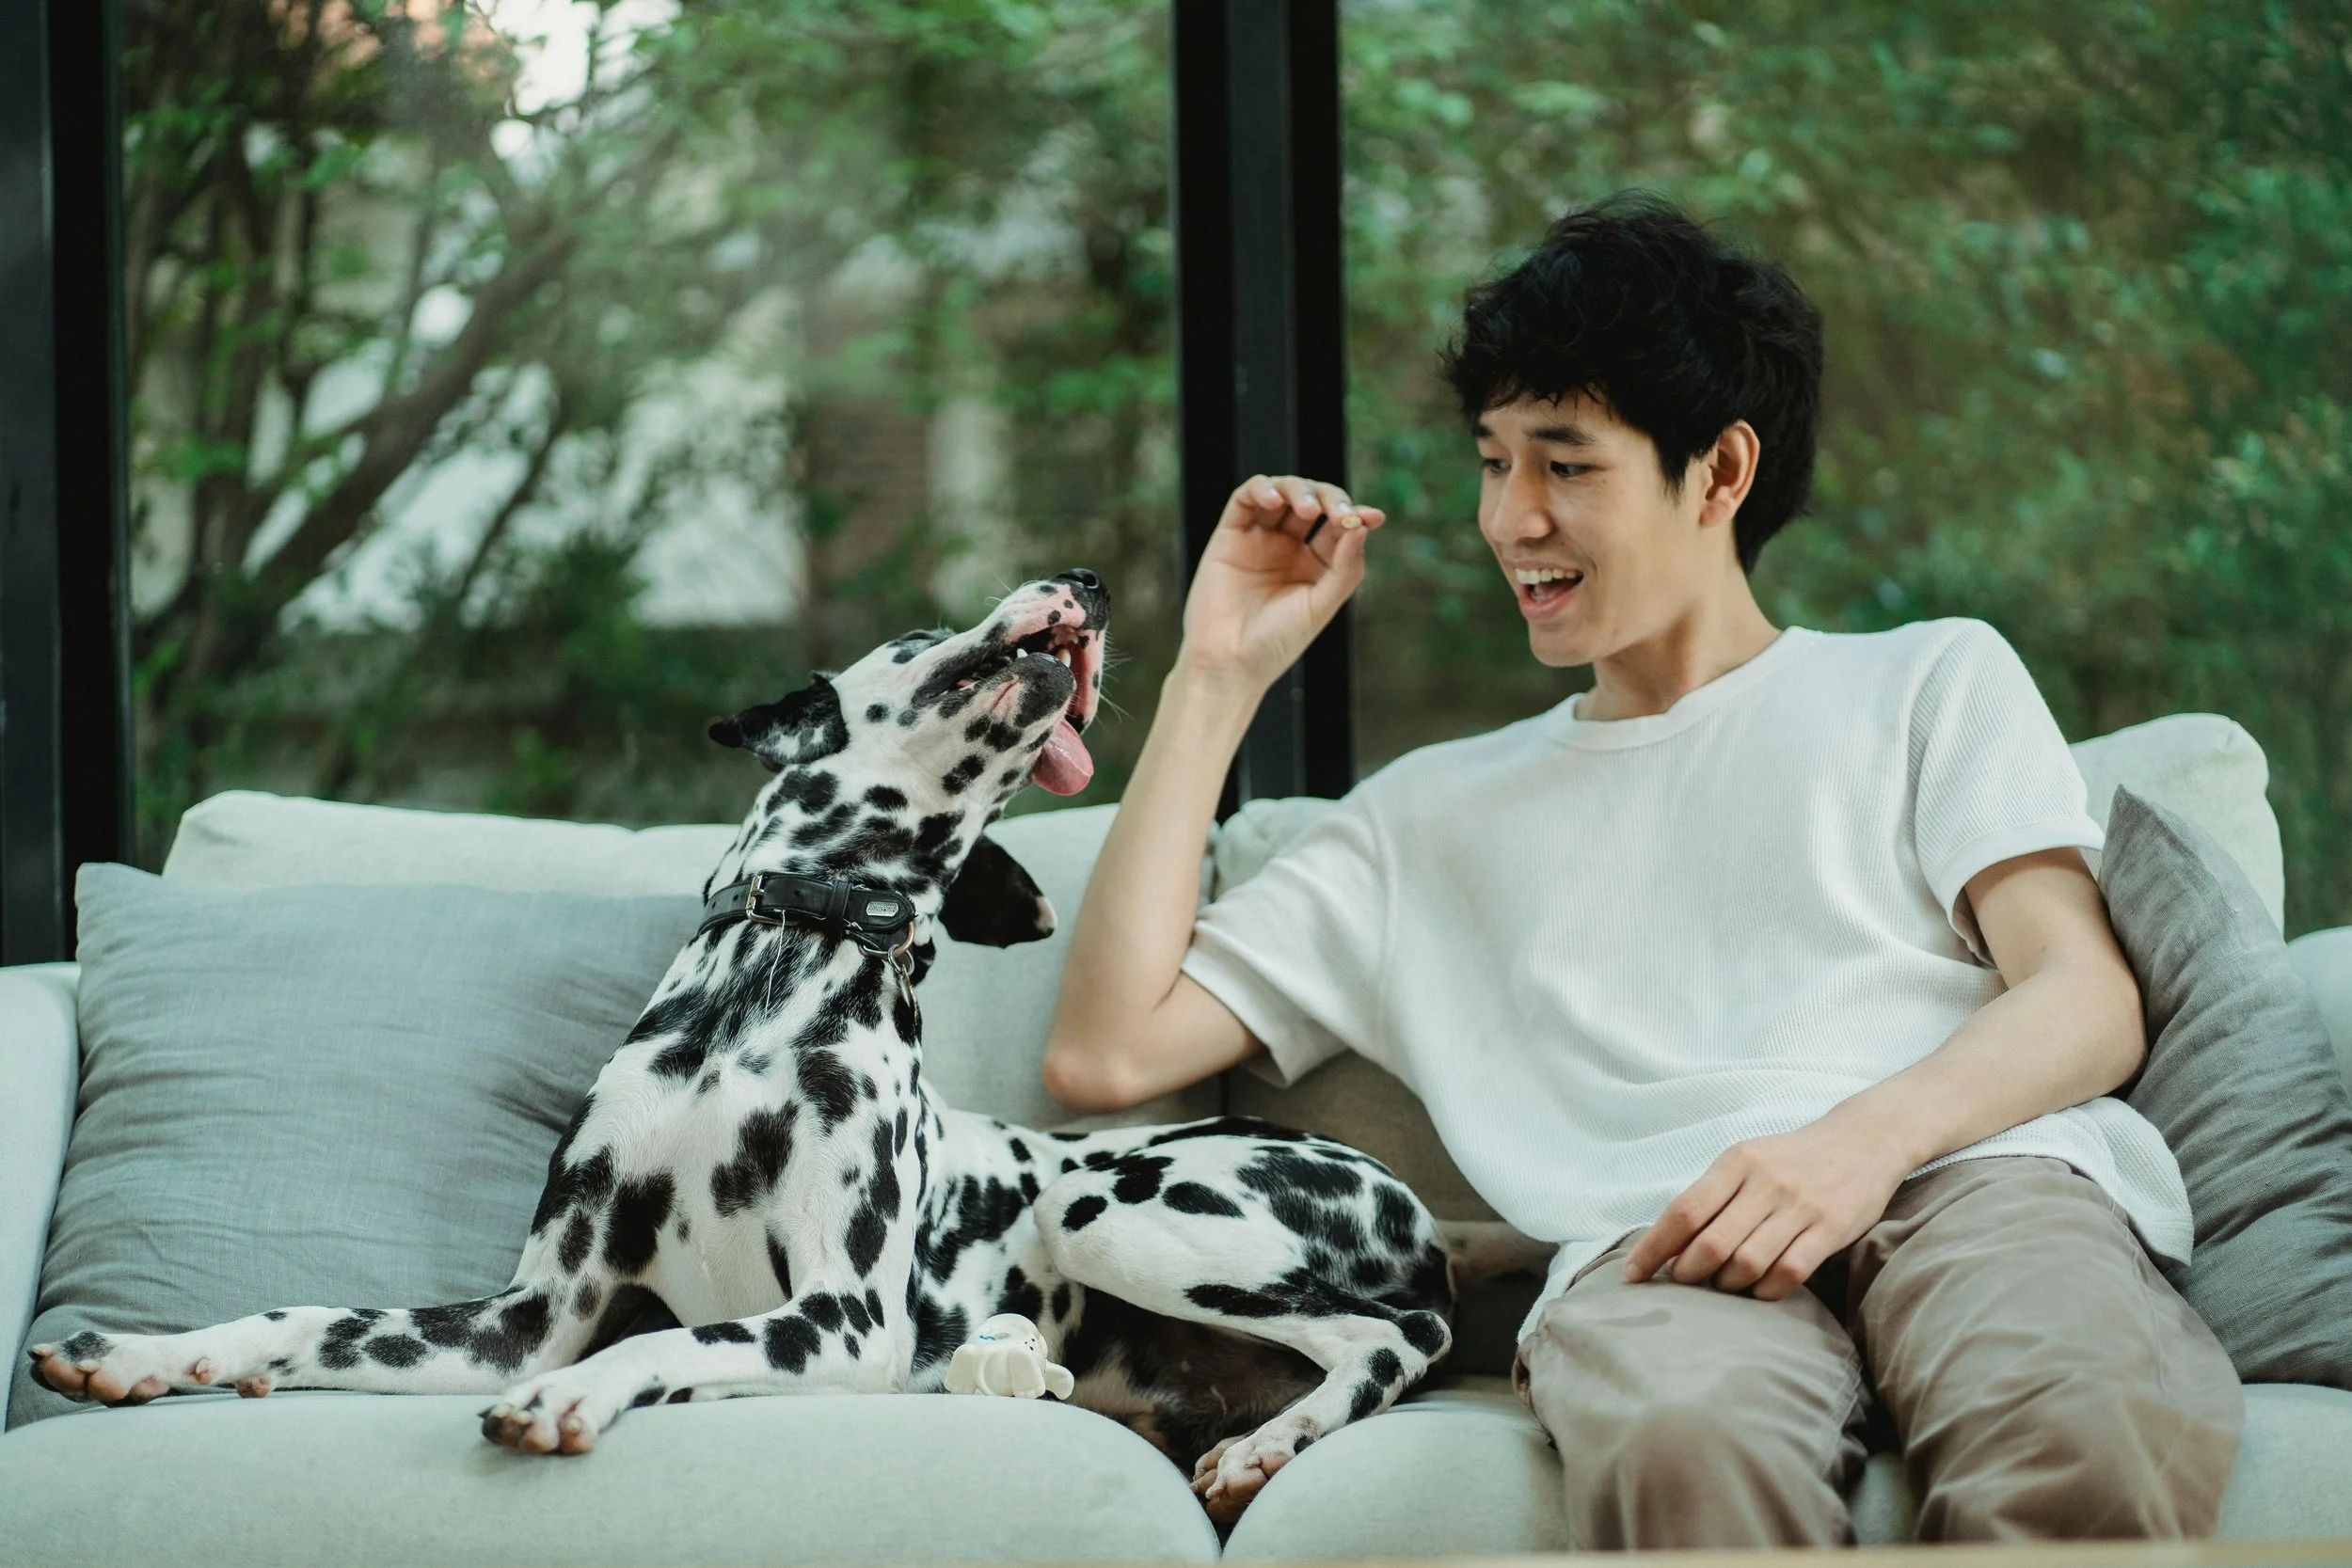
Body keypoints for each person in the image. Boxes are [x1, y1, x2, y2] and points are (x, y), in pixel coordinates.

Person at [1040, 191, 2241, 1547]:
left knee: (2071, 1419)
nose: (1511, 519)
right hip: (1657, 1244)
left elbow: (2084, 995)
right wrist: (1218, 672)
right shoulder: (1425, 816)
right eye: (1493, 462)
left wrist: (1853, 1146)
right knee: (1685, 1449)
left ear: (1719, 472)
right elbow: (1102, 1052)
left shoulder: (1925, 678)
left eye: (1566, 463)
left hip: (1980, 1173)